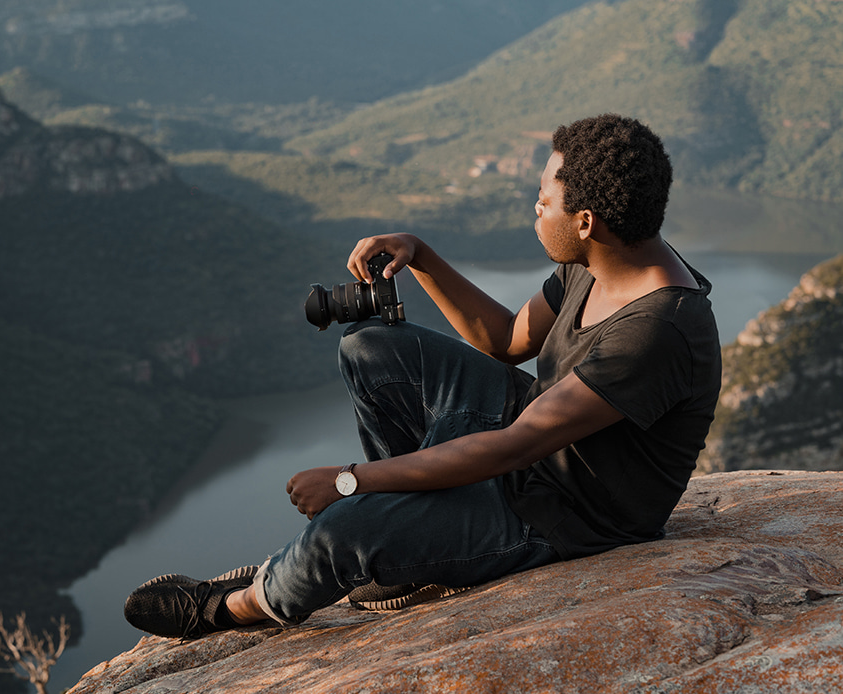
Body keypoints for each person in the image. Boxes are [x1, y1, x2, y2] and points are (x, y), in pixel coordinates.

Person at [124, 113, 722, 638]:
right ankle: (409, 548)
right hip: (530, 445)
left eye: (544, 200)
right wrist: (422, 255)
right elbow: (506, 341)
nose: (535, 209)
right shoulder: (603, 258)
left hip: (560, 513)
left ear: (586, 221)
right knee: (371, 349)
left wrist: (353, 483)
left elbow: (516, 446)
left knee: (339, 532)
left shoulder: (656, 330)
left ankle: (235, 606)